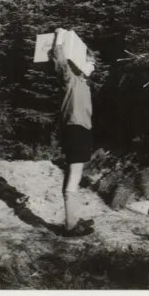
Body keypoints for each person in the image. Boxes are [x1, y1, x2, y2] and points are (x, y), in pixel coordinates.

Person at [50, 29, 95, 237]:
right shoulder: (72, 80)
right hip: (75, 130)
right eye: (90, 62)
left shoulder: (84, 85)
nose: (93, 66)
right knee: (73, 177)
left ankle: (73, 218)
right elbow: (60, 61)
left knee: (74, 175)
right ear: (80, 64)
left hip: (82, 131)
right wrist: (59, 38)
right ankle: (70, 225)